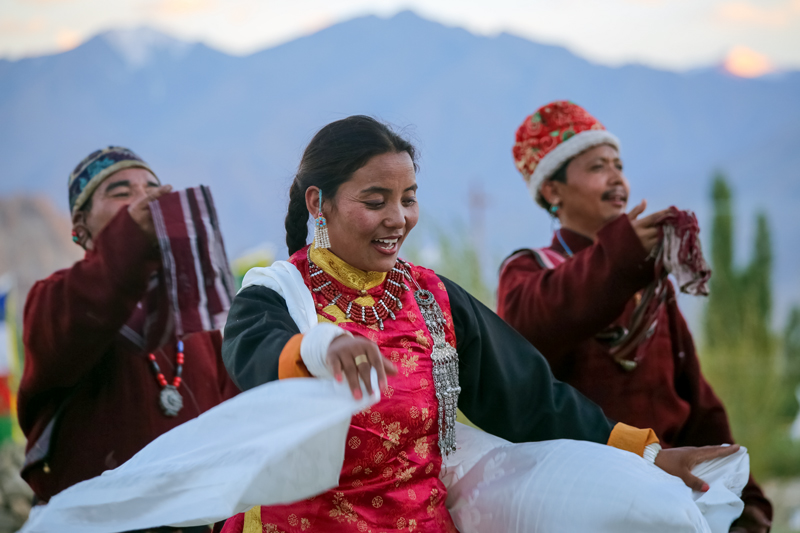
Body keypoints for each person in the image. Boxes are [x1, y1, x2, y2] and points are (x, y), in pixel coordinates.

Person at [220, 116, 738, 533]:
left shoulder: (434, 298)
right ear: (319, 203)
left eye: (408, 199)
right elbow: (253, 349)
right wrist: (316, 349)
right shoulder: (281, 291)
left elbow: (531, 399)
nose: (397, 218)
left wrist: (646, 456)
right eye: (375, 202)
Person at [498, 101, 772, 533]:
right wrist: (621, 256)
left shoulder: (647, 279)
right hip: (584, 499)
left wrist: (748, 498)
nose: (616, 178)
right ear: (553, 191)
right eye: (597, 166)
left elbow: (695, 398)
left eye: (618, 165)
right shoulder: (529, 271)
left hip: (676, 488)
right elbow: (535, 325)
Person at [18, 147, 238, 528]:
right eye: (121, 192)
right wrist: (131, 239)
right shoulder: (53, 300)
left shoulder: (196, 321)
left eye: (153, 188)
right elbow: (89, 303)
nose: (146, 198)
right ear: (80, 226)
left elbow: (233, 424)